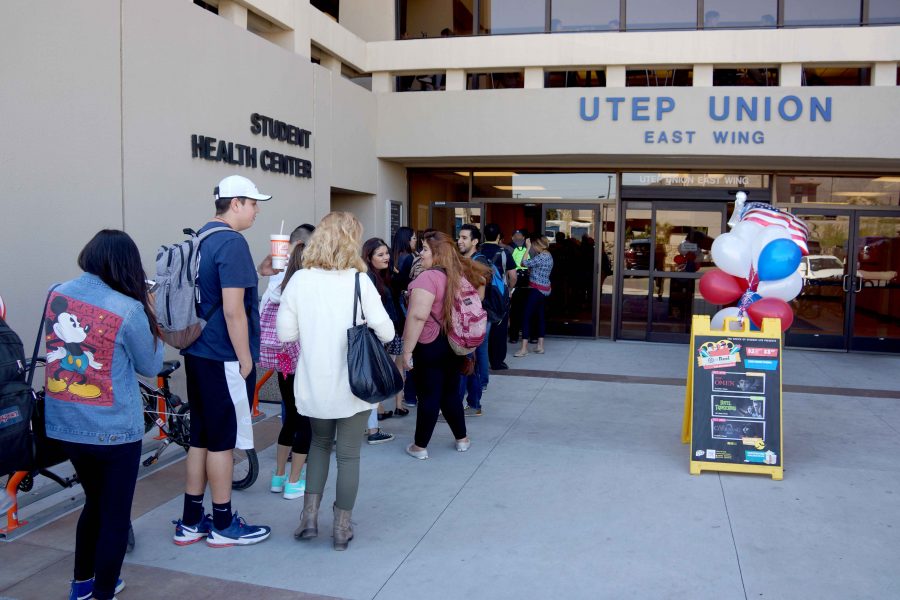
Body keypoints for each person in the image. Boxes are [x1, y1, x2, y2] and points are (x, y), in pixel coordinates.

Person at [44, 230, 164, 600]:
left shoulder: (56, 294)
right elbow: (151, 364)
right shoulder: (127, 309)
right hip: (114, 430)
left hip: (66, 424)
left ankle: (82, 585)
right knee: (114, 516)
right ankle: (103, 592)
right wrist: (150, 308)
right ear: (125, 265)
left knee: (93, 505)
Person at [277, 212, 394, 551]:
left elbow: (286, 334)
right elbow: (386, 331)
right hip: (355, 387)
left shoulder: (300, 281)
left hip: (314, 385)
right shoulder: (360, 282)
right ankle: (341, 528)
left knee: (317, 446)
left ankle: (308, 518)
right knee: (349, 456)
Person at [173, 175, 272, 548]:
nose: (257, 209)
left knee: (200, 437)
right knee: (223, 441)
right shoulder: (232, 242)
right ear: (235, 203)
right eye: (252, 202)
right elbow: (233, 311)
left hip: (198, 352)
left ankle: (191, 520)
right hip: (224, 355)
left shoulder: (200, 238)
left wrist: (258, 274)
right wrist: (247, 358)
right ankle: (224, 523)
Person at [403, 231, 489, 460]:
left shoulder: (427, 278)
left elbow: (418, 317)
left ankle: (419, 446)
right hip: (455, 342)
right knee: (451, 393)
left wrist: (407, 350)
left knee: (429, 395)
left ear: (437, 254)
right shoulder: (458, 274)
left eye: (425, 250)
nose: (421, 254)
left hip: (429, 343)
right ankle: (462, 439)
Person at [260, 227, 315, 501]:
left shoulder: (276, 284)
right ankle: (295, 482)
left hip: (281, 358)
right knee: (305, 419)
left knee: (290, 417)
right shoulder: (307, 285)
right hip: (302, 358)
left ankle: (279, 475)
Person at [362, 237, 402, 444]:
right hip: (374, 338)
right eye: (380, 254)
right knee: (373, 385)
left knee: (372, 384)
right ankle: (372, 430)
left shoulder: (380, 277)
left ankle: (370, 428)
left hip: (380, 336)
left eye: (387, 253)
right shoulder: (368, 278)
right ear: (369, 258)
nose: (386, 257)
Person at [456, 224, 489, 415]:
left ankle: (460, 405)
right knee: (469, 362)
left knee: (465, 362)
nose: (459, 241)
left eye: (464, 237)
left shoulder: (478, 262)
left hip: (470, 321)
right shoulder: (463, 261)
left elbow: (480, 296)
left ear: (474, 241)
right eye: (459, 237)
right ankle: (474, 403)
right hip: (466, 320)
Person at [480, 224, 517, 371]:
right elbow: (513, 276)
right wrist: (509, 289)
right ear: (498, 237)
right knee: (499, 327)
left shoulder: (478, 250)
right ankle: (497, 362)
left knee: (479, 325)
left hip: (479, 292)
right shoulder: (505, 252)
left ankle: (480, 360)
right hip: (498, 294)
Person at [391, 227, 418, 408]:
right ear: (407, 239)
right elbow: (406, 283)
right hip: (401, 307)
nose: (416, 241)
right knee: (401, 355)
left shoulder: (393, 256)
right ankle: (401, 401)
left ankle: (399, 401)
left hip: (392, 308)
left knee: (393, 357)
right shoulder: (408, 257)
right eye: (414, 238)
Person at [514, 235, 553, 357]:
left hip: (536, 289)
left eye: (534, 245)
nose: (533, 248)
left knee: (526, 316)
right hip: (545, 289)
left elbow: (523, 262)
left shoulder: (542, 256)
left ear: (538, 245)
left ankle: (524, 348)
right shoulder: (549, 256)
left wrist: (527, 247)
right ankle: (540, 346)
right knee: (540, 316)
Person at [508, 228, 530, 344]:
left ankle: (515, 336)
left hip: (521, 281)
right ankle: (518, 335)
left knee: (518, 309)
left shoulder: (508, 249)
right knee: (520, 309)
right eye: (516, 236)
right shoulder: (509, 249)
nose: (517, 238)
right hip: (520, 280)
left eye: (519, 236)